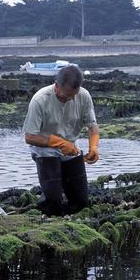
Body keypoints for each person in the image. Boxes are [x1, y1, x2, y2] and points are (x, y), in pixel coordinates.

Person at [22, 65, 99, 217]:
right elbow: (29, 137)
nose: (69, 99)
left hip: (71, 149)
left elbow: (93, 126)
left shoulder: (83, 96)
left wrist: (94, 147)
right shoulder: (40, 100)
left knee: (81, 203)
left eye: (73, 96)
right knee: (53, 203)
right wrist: (59, 143)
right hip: (44, 149)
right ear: (56, 85)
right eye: (65, 96)